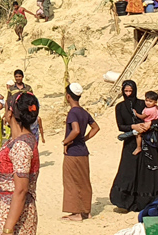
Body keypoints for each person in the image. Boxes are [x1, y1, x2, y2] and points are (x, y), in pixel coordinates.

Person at [110, 80, 158, 213]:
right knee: (127, 171)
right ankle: (124, 202)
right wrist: (133, 127)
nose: (128, 94)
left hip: (148, 143)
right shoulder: (120, 107)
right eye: (126, 91)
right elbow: (120, 126)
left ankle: (146, 203)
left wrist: (149, 125)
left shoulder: (144, 104)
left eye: (130, 91)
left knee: (147, 173)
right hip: (130, 143)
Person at [0, 91, 40, 235]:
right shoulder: (22, 140)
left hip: (13, 214)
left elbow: (21, 189)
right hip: (7, 210)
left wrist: (8, 228)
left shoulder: (21, 146)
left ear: (10, 113)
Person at [61, 83, 99, 222]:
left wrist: (66, 141)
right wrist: (84, 139)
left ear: (68, 96)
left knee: (71, 181)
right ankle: (86, 211)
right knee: (84, 181)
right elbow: (95, 127)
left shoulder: (73, 112)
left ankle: (76, 213)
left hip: (73, 152)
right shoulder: (83, 112)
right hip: (83, 151)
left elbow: (75, 130)